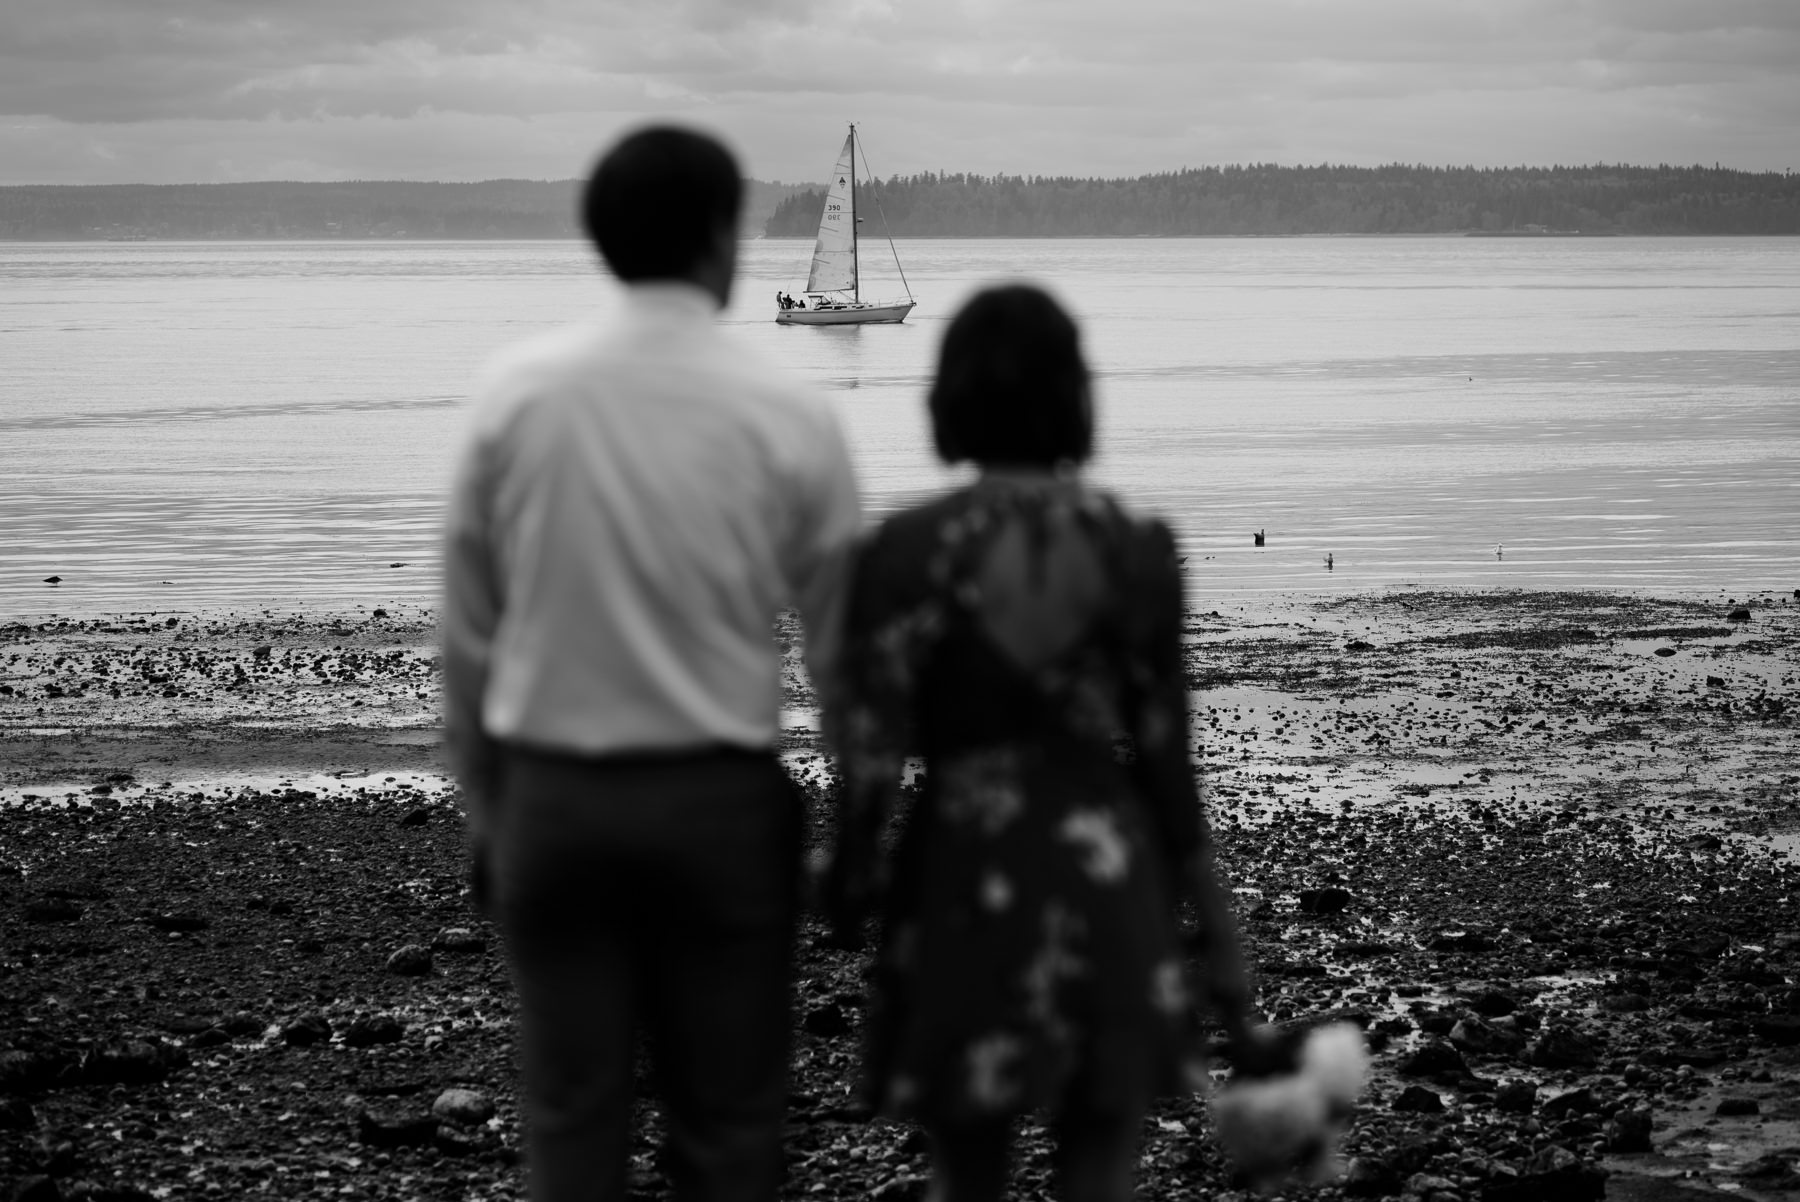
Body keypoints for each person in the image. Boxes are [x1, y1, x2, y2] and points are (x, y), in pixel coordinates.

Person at [441, 125, 862, 1202]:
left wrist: (488, 810)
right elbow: (843, 651)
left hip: (556, 798)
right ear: (725, 239)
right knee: (728, 1124)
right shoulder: (789, 412)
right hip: (716, 803)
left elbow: (471, 640)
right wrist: (858, 830)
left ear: (601, 238)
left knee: (573, 1112)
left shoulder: (513, 396)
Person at [825, 284, 1258, 1202]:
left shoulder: (903, 553)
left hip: (958, 880)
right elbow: (1169, 768)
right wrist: (1218, 940)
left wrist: (850, 886)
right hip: (1106, 879)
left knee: (967, 1171)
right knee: (1099, 1169)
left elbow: (868, 761)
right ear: (1075, 396)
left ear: (947, 401)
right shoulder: (1134, 550)